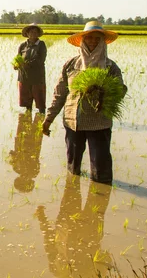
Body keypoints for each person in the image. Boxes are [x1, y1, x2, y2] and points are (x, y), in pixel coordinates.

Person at [42, 21, 126, 185]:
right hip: (73, 122)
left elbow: (120, 92)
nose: (93, 42)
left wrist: (105, 89)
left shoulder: (110, 67)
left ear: (103, 42)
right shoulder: (71, 64)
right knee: (73, 168)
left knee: (101, 167)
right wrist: (48, 118)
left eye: (97, 39)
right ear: (82, 41)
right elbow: (59, 93)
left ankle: (101, 198)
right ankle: (72, 193)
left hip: (99, 123)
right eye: (89, 38)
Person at [36, 175, 112, 278]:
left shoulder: (58, 270)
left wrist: (42, 219)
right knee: (93, 192)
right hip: (86, 231)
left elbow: (49, 242)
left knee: (73, 187)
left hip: (70, 227)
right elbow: (105, 260)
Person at [14, 23, 47, 113]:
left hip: (37, 77)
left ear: (38, 34)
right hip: (24, 77)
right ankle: (27, 120)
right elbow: (18, 58)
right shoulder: (23, 45)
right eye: (31, 32)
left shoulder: (41, 45)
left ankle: (42, 120)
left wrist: (26, 64)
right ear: (27, 34)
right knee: (27, 104)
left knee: (40, 104)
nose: (33, 34)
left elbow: (40, 60)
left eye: (35, 32)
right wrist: (16, 65)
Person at [8, 112, 44, 192]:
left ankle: (31, 113)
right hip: (32, 146)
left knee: (25, 125)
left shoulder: (18, 169)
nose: (23, 178)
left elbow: (13, 156)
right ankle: (36, 113)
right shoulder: (30, 172)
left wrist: (12, 155)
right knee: (35, 126)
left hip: (24, 145)